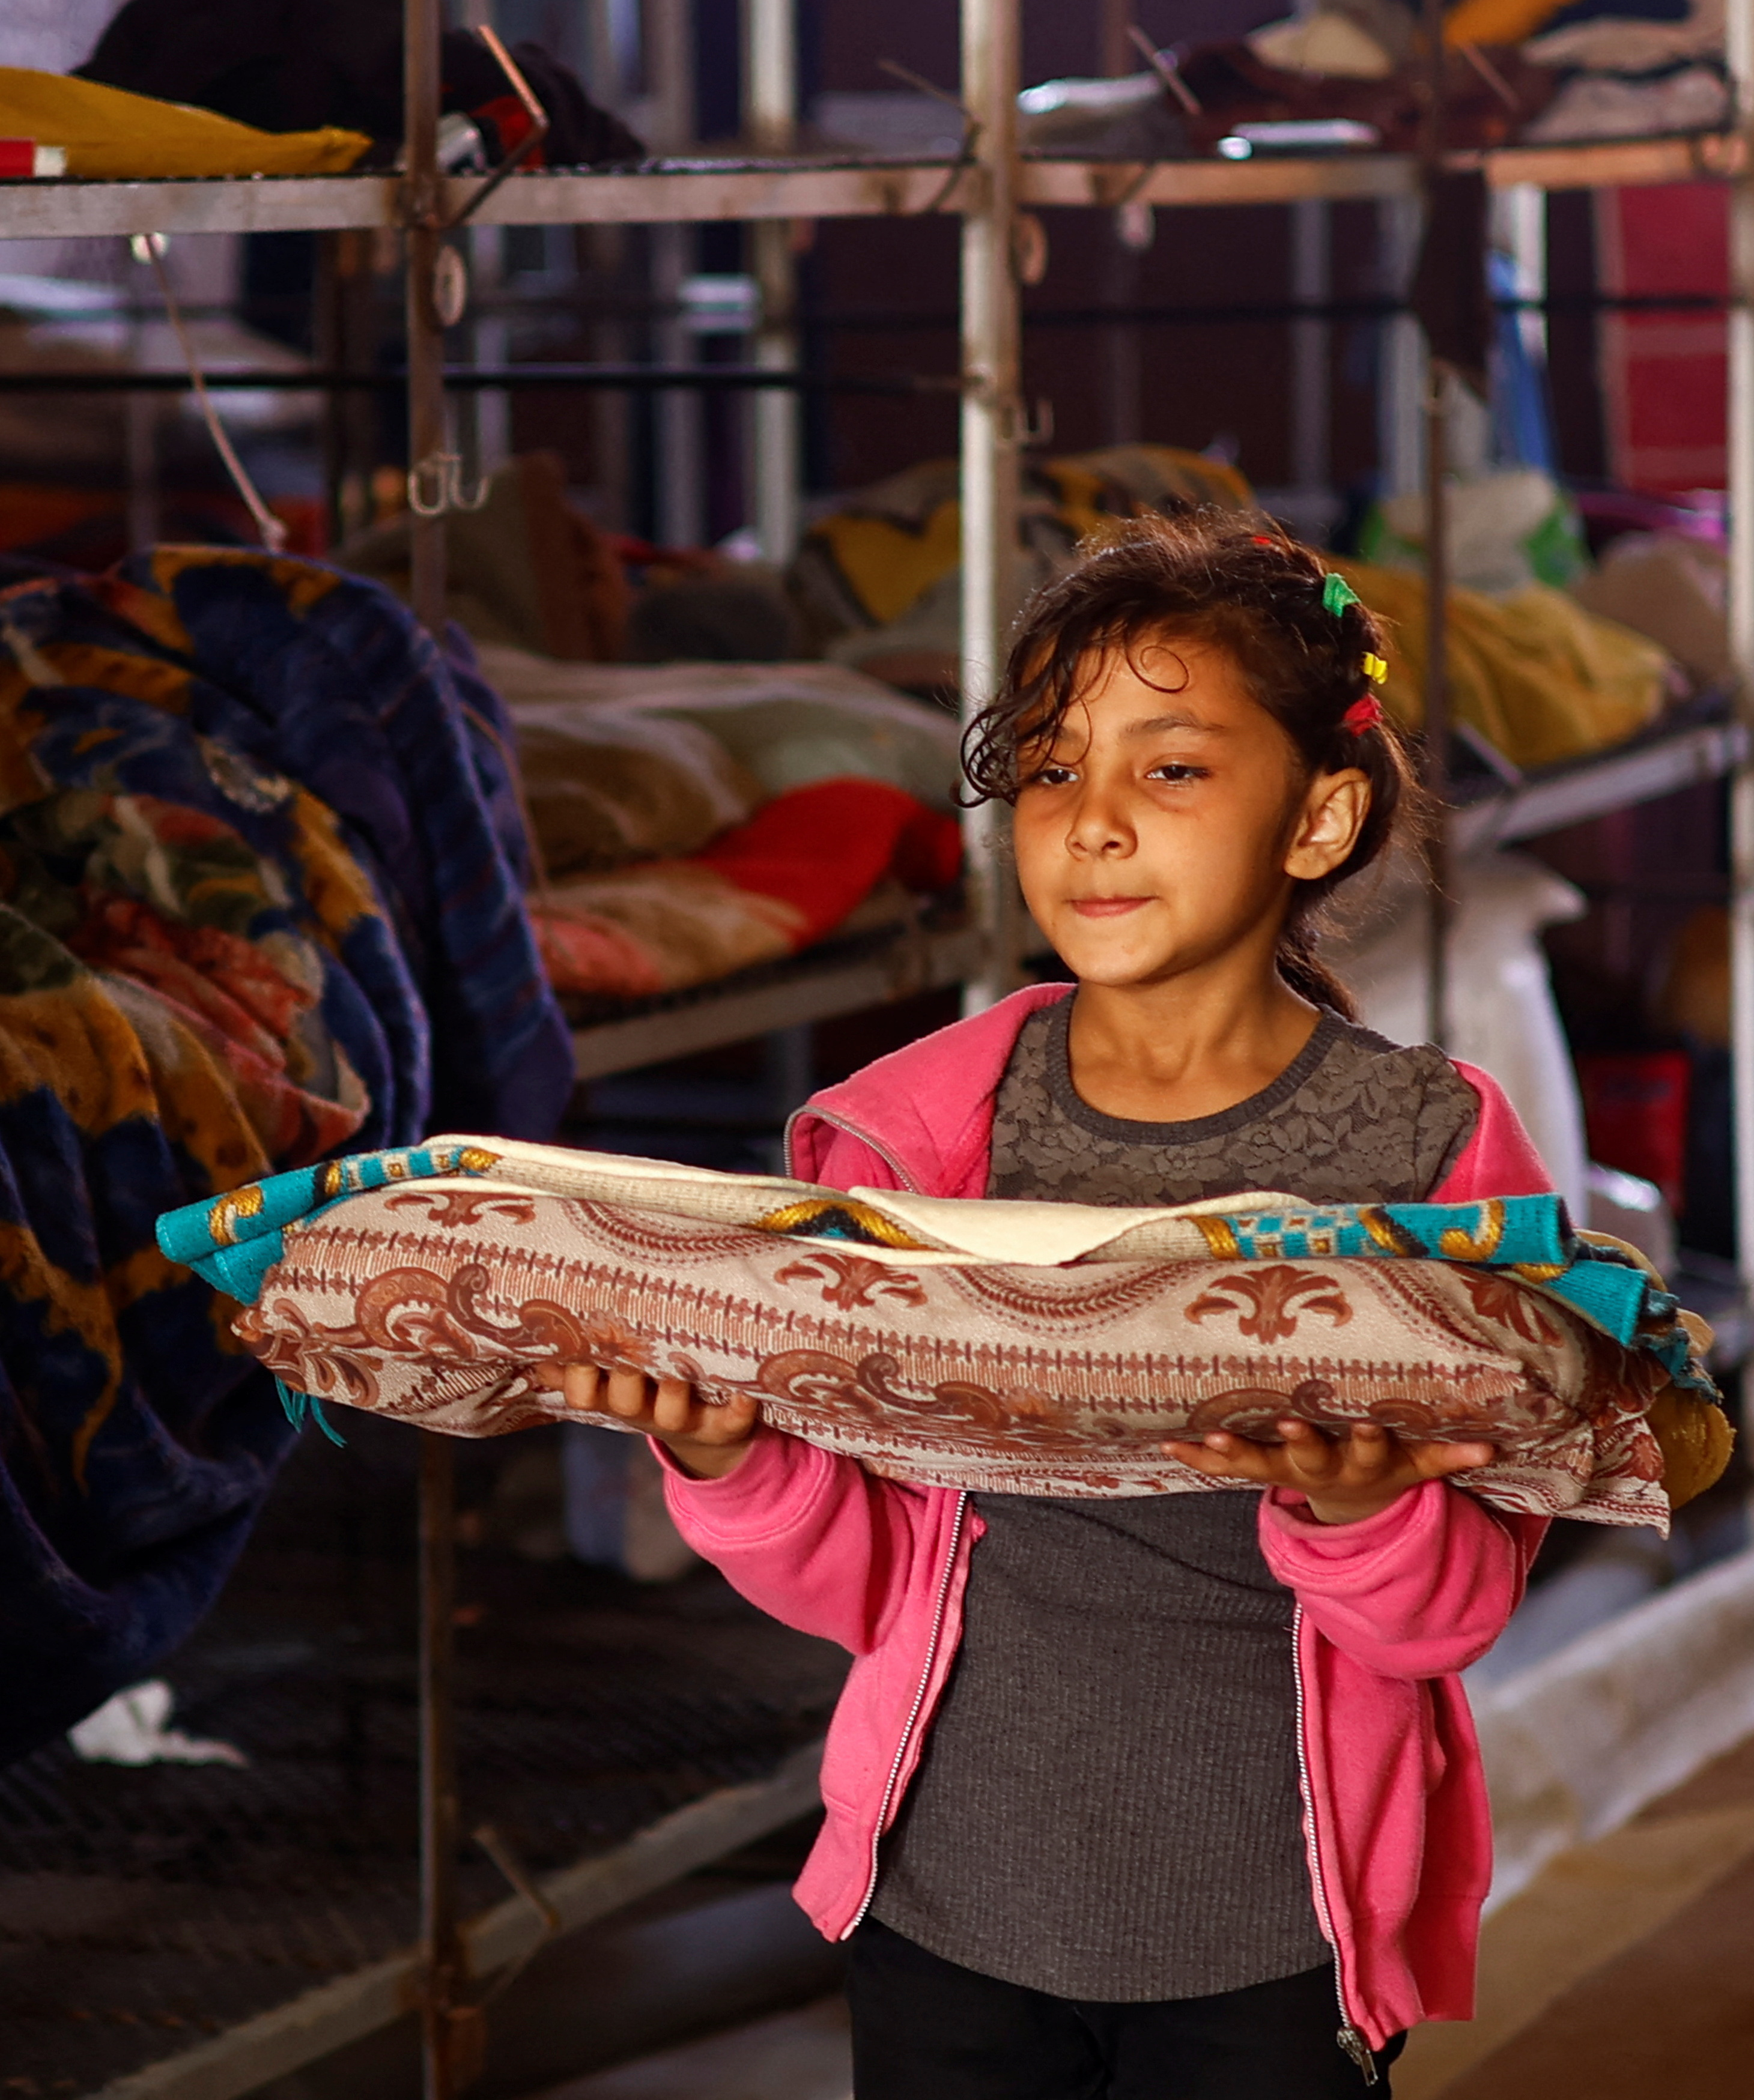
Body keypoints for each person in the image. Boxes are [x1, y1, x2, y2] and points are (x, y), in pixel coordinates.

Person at [535, 512, 1555, 2098]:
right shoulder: (923, 1139)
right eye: (1049, 764)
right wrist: (734, 1465)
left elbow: (1452, 1613)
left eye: (1168, 769)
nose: (1086, 822)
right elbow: (874, 1584)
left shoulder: (1426, 1154)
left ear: (1317, 815)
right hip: (952, 1922)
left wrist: (1359, 1511)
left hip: (1270, 1948)